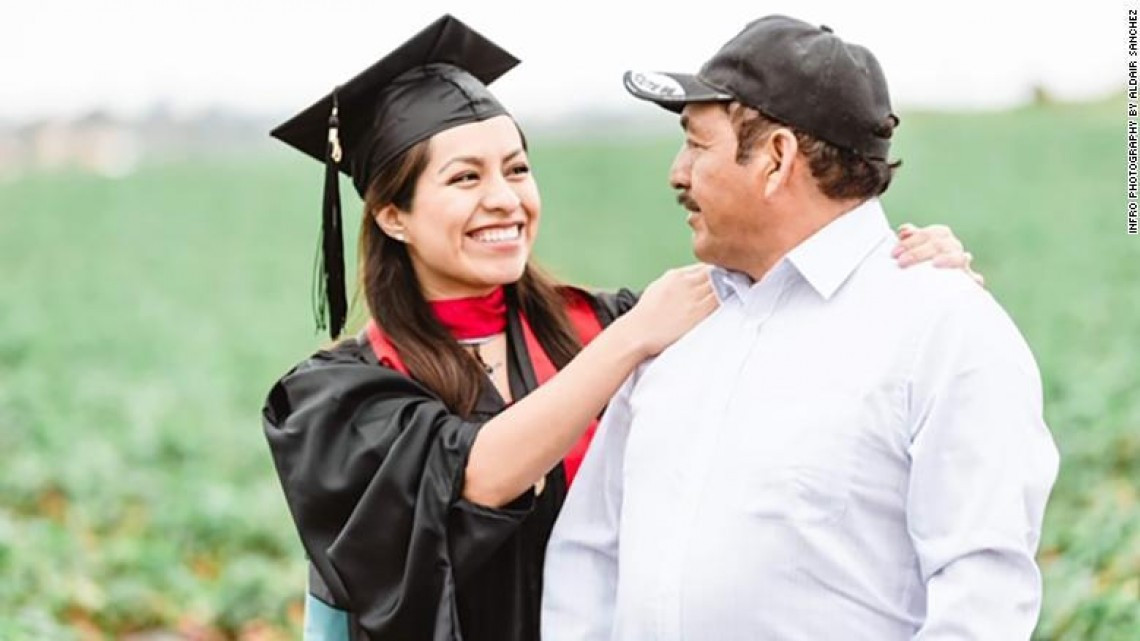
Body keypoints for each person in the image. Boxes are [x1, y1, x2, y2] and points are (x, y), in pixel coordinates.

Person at [262, 14, 984, 641]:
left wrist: (892, 265)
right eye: (464, 179)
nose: (504, 199)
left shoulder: (596, 323)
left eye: (516, 169)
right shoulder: (337, 403)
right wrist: (631, 339)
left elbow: (784, 302)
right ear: (393, 215)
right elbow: (475, 472)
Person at [542, 15, 1059, 641]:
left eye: (697, 144)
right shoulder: (672, 324)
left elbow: (981, 604)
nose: (678, 173)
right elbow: (590, 557)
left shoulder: (944, 330)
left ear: (776, 158)